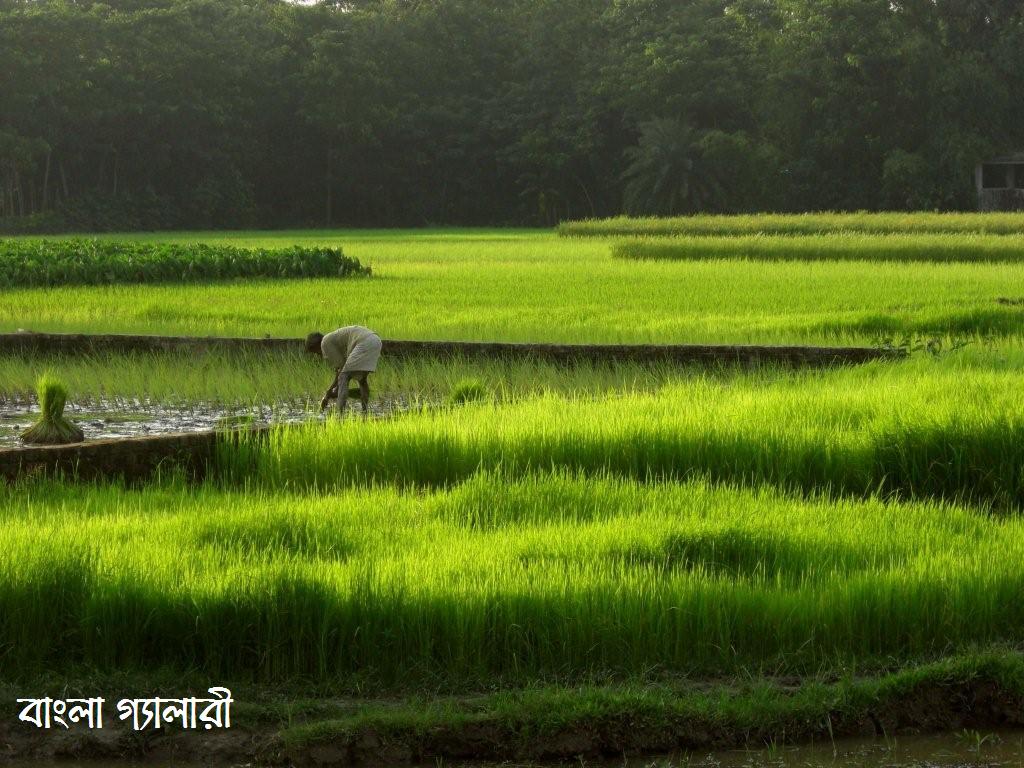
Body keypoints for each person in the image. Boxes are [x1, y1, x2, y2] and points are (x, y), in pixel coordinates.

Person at [305, 325, 382, 416]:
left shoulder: (325, 343)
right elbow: (343, 367)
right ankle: (365, 411)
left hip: (363, 342)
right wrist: (331, 391)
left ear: (316, 346)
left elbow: (341, 370)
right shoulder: (332, 339)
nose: (318, 355)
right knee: (362, 379)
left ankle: (340, 414)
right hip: (376, 340)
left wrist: (327, 394)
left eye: (315, 352)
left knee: (343, 377)